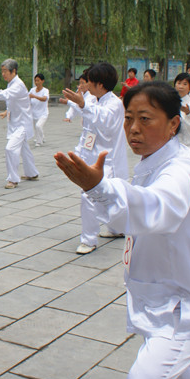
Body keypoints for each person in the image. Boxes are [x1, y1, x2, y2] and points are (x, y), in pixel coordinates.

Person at [55, 81, 190, 379]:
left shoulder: (181, 168)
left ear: (172, 124)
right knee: (174, 359)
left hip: (185, 304)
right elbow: (127, 218)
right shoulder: (154, 160)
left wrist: (99, 187)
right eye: (129, 118)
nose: (134, 129)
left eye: (146, 119)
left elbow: (159, 208)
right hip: (162, 293)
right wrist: (101, 191)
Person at [63, 63, 128, 253]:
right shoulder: (93, 99)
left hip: (108, 160)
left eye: (90, 82)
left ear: (100, 84)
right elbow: (88, 131)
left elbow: (105, 122)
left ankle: (89, 240)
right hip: (92, 157)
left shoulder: (114, 104)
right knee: (104, 197)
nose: (87, 85)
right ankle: (116, 228)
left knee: (92, 196)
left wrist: (83, 104)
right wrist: (79, 154)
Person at [0, 59, 39, 189]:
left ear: (13, 71)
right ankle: (32, 173)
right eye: (2, 71)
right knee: (24, 149)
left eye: (5, 71)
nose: (3, 74)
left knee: (10, 148)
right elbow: (14, 102)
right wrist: (6, 112)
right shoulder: (12, 83)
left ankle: (13, 179)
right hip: (17, 122)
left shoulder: (18, 85)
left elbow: (5, 95)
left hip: (22, 124)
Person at [28, 73, 50, 146]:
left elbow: (44, 99)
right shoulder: (32, 90)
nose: (36, 82)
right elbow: (27, 98)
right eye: (35, 81)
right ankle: (41, 137)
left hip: (43, 113)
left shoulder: (45, 90)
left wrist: (34, 96)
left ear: (42, 81)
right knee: (37, 128)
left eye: (38, 80)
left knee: (38, 126)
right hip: (34, 113)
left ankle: (39, 142)